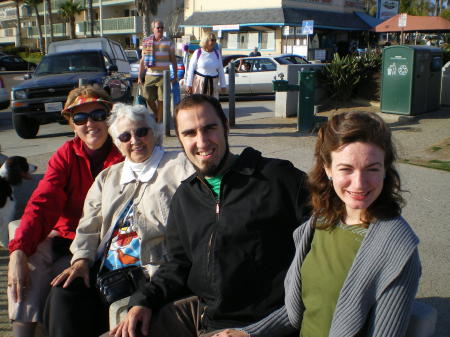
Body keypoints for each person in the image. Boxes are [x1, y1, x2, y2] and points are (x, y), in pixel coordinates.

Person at [110, 94, 310, 337]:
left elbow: (322, 243)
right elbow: (178, 264)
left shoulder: (277, 178)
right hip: (209, 322)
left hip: (267, 326)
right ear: (180, 139)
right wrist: (143, 300)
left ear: (225, 126)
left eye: (209, 128)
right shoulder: (186, 197)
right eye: (190, 133)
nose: (202, 142)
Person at [213, 111, 421, 337]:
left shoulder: (399, 251)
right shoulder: (319, 223)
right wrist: (248, 333)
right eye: (346, 169)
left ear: (385, 170)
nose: (359, 183)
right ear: (328, 169)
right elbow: (299, 313)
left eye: (372, 168)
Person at [43, 103, 194, 337]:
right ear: (117, 142)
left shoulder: (179, 165)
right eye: (125, 136)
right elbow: (89, 225)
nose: (135, 140)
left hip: (151, 270)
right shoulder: (108, 177)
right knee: (63, 292)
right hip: (106, 271)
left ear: (154, 132)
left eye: (142, 131)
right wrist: (81, 259)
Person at [7, 86, 124, 337]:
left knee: (59, 281)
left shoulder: (124, 152)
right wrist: (17, 251)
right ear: (72, 125)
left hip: (105, 244)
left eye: (98, 114)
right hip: (67, 238)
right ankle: (22, 330)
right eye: (80, 118)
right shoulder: (66, 155)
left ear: (109, 118)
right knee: (30, 255)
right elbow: (42, 203)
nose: (90, 123)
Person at [138, 19, 177, 123]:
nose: (160, 29)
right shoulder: (146, 41)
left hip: (164, 75)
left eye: (162, 27)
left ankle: (160, 123)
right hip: (150, 74)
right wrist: (139, 76)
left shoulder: (169, 41)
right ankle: (156, 113)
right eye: (158, 27)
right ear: (153, 29)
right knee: (148, 97)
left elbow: (173, 59)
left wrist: (176, 75)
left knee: (161, 100)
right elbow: (142, 60)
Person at [185, 33, 226, 99]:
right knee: (199, 105)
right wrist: (189, 84)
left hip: (213, 83)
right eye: (212, 40)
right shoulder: (198, 52)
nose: (214, 42)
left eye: (215, 40)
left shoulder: (217, 53)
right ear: (205, 40)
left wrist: (223, 85)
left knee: (213, 105)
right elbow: (191, 69)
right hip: (200, 83)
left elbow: (221, 69)